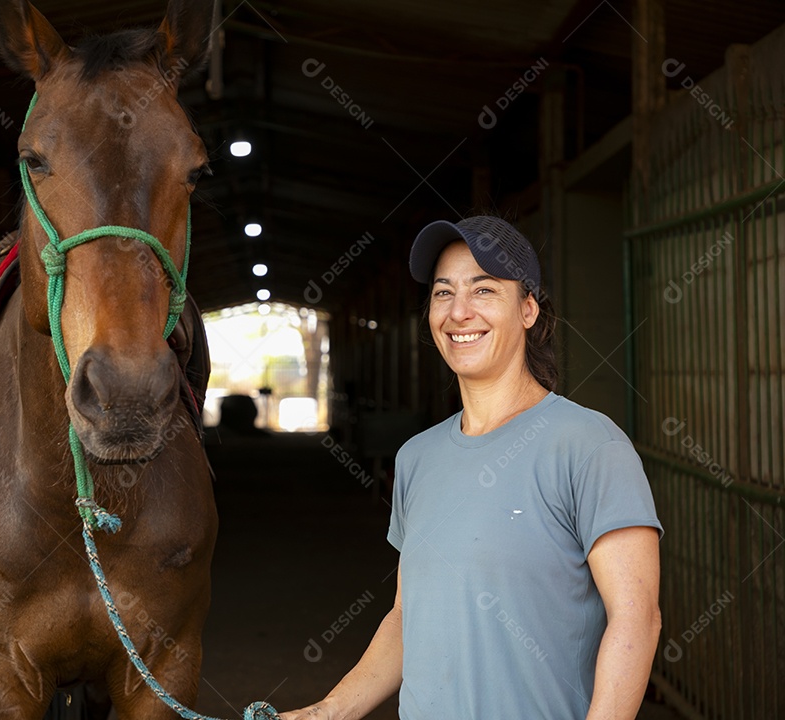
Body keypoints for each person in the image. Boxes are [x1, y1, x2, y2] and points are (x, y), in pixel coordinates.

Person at [281, 216, 662, 720]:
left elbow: (637, 620)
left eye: (483, 290)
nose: (459, 312)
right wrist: (327, 711)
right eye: (443, 293)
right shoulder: (416, 458)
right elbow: (406, 617)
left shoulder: (589, 446)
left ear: (528, 309)